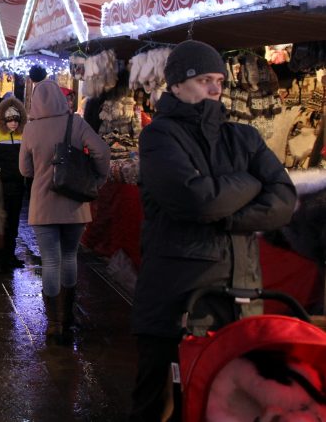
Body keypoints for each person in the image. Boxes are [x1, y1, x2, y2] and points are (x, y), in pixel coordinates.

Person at [128, 40, 296, 421]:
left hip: (241, 297)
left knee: (230, 406)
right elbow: (196, 201)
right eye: (205, 80)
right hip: (178, 301)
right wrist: (250, 183)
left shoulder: (245, 137)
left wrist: (225, 214)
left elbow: (284, 199)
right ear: (176, 85)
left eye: (218, 79)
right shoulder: (159, 137)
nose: (216, 89)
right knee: (161, 405)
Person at [19, 79, 110, 344]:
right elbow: (102, 152)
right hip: (75, 203)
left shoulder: (31, 128)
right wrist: (97, 179)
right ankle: (68, 316)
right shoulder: (76, 123)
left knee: (51, 261)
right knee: (70, 256)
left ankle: (54, 323)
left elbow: (25, 170)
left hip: (43, 204)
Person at [0, 96, 28, 273]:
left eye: (16, 119)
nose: (13, 123)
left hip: (18, 186)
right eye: (9, 119)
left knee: (13, 223)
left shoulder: (24, 137)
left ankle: (9, 257)